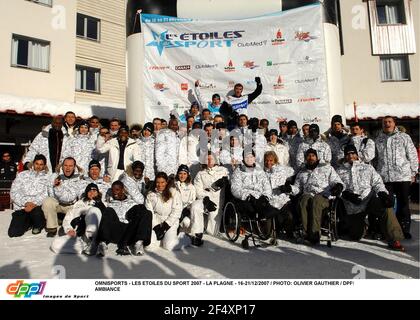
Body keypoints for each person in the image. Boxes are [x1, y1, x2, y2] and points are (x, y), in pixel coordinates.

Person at [336, 145, 405, 250]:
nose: (350, 156)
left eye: (353, 153)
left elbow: (377, 183)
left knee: (386, 208)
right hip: (353, 207)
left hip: (369, 200)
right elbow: (336, 188)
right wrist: (345, 194)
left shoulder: (367, 167)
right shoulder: (339, 171)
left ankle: (394, 238)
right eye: (348, 154)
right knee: (355, 236)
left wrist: (383, 193)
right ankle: (365, 227)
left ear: (357, 154)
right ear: (345, 156)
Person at [375, 116, 418, 239]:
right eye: (384, 122)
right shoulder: (378, 139)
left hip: (402, 176)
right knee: (387, 204)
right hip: (385, 177)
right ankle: (389, 230)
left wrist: (413, 172)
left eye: (389, 122)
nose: (387, 124)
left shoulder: (404, 137)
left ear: (394, 124)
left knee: (403, 203)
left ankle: (404, 229)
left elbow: (413, 155)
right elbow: (375, 159)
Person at [293, 149, 344, 244]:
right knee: (304, 200)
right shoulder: (302, 172)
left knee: (316, 200)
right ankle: (305, 233)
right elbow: (297, 188)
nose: (310, 157)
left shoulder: (327, 168)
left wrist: (338, 186)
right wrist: (290, 189)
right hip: (308, 194)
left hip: (323, 195)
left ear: (317, 157)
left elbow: (336, 180)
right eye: (308, 156)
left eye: (313, 155)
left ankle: (314, 234)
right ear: (305, 158)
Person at [96, 181, 152, 256]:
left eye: (117, 189)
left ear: (122, 190)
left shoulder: (132, 203)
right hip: (116, 231)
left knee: (144, 211)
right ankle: (102, 243)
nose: (114, 192)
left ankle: (139, 242)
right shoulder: (109, 204)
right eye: (113, 190)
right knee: (108, 211)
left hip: (131, 232)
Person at [50, 183, 105, 255]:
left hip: (96, 236)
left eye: (94, 191)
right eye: (90, 191)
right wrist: (69, 229)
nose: (92, 193)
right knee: (55, 244)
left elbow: (107, 220)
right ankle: (86, 247)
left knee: (94, 211)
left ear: (98, 193)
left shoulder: (103, 204)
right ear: (86, 193)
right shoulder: (79, 204)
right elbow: (68, 218)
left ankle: (92, 241)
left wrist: (99, 204)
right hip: (80, 237)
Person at [145, 172, 191, 250]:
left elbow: (177, 211)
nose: (160, 185)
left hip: (170, 222)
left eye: (162, 182)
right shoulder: (151, 195)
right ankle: (161, 239)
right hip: (156, 221)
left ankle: (186, 238)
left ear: (166, 182)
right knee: (149, 246)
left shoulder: (173, 192)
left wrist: (166, 226)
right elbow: (149, 212)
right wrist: (156, 227)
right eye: (157, 182)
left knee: (169, 246)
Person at [8, 154, 50, 237]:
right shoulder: (22, 175)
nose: (38, 166)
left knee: (37, 214)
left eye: (41, 164)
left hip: (36, 207)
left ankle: (38, 223)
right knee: (13, 233)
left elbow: (46, 194)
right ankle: (28, 222)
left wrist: (33, 204)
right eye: (36, 164)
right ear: (33, 163)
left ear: (44, 166)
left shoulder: (47, 178)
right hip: (22, 207)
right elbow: (14, 191)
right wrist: (25, 203)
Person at [231, 152, 279, 223]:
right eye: (246, 157)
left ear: (254, 158)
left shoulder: (259, 170)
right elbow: (235, 189)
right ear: (243, 159)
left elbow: (266, 185)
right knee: (250, 207)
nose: (249, 159)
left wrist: (266, 196)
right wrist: (247, 196)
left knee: (270, 207)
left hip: (259, 197)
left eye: (251, 157)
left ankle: (265, 216)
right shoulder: (238, 171)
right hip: (246, 197)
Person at [42, 157, 83, 237]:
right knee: (48, 201)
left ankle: (64, 222)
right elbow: (50, 194)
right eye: (65, 165)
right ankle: (52, 228)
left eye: (70, 166)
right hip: (59, 204)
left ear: (74, 167)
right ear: (62, 166)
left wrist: (58, 188)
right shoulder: (55, 177)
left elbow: (69, 198)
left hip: (72, 206)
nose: (67, 168)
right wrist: (55, 184)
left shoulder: (78, 179)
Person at [190, 154, 229, 236]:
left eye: (211, 158)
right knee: (195, 206)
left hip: (217, 201)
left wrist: (226, 180)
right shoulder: (200, 174)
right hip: (205, 199)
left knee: (212, 232)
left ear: (215, 159)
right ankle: (197, 233)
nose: (209, 160)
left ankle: (205, 224)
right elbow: (198, 190)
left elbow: (231, 178)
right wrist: (206, 199)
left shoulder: (223, 170)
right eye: (207, 159)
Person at [263, 151, 295, 238]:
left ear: (275, 160)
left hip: (281, 198)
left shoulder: (282, 169)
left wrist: (288, 186)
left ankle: (289, 231)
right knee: (267, 232)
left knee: (288, 215)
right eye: (266, 160)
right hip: (268, 199)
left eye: (271, 160)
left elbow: (292, 171)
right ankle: (271, 230)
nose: (268, 163)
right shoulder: (262, 172)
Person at [174, 165, 203, 246]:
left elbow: (192, 203)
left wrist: (185, 211)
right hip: (174, 213)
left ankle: (195, 235)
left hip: (184, 213)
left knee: (187, 221)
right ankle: (183, 236)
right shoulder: (173, 185)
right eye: (180, 173)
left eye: (184, 174)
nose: (182, 176)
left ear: (188, 175)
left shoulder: (191, 187)